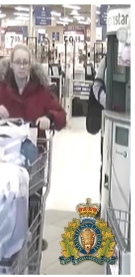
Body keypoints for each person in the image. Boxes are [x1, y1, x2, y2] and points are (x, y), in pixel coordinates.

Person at [0, 44, 67, 251]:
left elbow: (61, 116)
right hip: (6, 159)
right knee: (7, 198)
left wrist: (49, 117)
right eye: (18, 62)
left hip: (34, 157)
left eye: (26, 62)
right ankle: (8, 238)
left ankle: (33, 239)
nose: (22, 66)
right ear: (11, 64)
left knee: (33, 198)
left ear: (31, 65)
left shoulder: (41, 93)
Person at [86, 55, 107, 218]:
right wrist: (109, 102)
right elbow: (97, 85)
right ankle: (105, 203)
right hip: (109, 124)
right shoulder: (109, 59)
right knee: (106, 164)